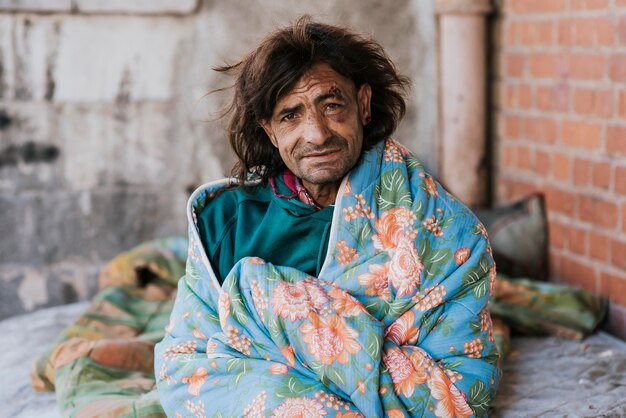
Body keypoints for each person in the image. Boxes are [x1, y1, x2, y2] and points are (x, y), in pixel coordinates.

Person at [155, 16, 501, 417]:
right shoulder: (224, 222)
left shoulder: (441, 228)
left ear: (364, 105)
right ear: (269, 131)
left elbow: (459, 390)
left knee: (252, 289)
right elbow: (184, 366)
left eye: (332, 106)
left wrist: (271, 328)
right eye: (291, 115)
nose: (317, 134)